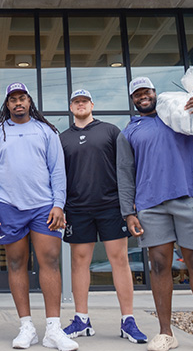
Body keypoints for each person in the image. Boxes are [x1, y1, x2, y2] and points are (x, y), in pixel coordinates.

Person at [117, 76, 193, 351]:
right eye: (137, 95)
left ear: (155, 93)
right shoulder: (128, 132)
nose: (143, 97)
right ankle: (166, 333)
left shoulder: (180, 116)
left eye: (147, 92)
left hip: (188, 196)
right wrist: (127, 213)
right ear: (132, 100)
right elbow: (124, 174)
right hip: (151, 205)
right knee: (158, 265)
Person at [0, 82, 78, 351]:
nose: (18, 103)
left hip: (44, 206)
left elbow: (58, 171)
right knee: (15, 263)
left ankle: (54, 329)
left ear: (29, 101)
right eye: (13, 99)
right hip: (9, 206)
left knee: (50, 261)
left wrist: (59, 204)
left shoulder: (46, 130)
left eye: (22, 98)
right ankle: (27, 327)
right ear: (7, 104)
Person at [58, 89, 147, 344]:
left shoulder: (111, 131)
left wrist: (129, 207)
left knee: (119, 260)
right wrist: (61, 207)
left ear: (92, 104)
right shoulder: (63, 138)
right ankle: (81, 319)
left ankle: (128, 320)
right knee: (79, 263)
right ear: (71, 107)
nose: (81, 105)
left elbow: (126, 169)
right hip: (77, 208)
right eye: (76, 101)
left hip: (111, 206)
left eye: (84, 101)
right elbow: (59, 177)